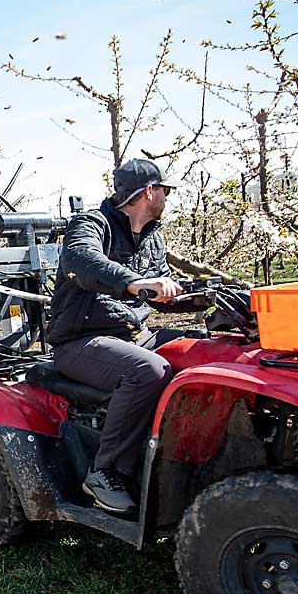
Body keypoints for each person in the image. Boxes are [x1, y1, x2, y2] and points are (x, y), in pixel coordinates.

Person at [47, 158, 189, 517]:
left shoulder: (152, 238)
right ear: (149, 192)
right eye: (166, 191)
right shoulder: (92, 224)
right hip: (81, 341)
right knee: (148, 372)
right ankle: (105, 471)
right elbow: (81, 260)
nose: (168, 199)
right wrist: (134, 281)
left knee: (206, 348)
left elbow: (162, 289)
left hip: (135, 334)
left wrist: (198, 296)